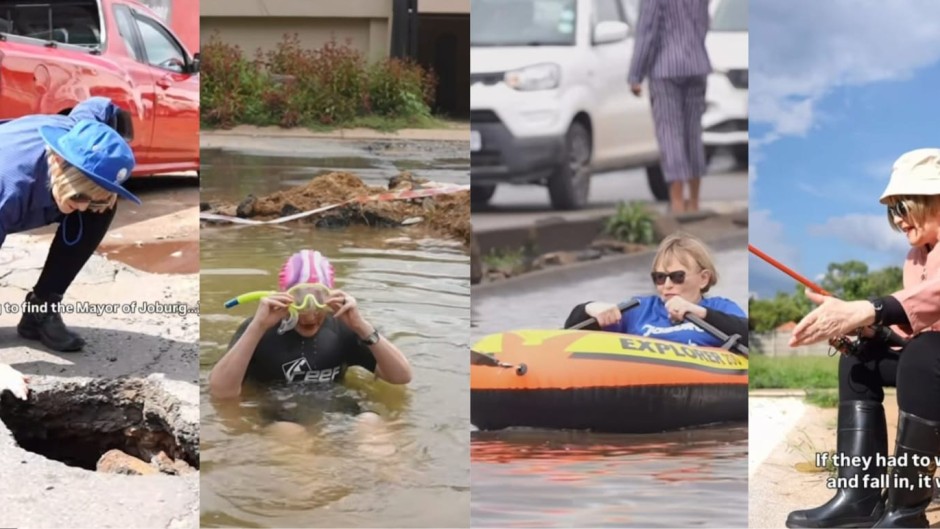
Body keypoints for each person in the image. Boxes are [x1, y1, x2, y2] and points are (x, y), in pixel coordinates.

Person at [785, 148, 940, 529]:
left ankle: (906, 512)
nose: (897, 219)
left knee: (923, 354)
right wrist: (868, 330)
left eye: (902, 205)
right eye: (891, 210)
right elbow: (920, 326)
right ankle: (860, 496)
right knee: (860, 359)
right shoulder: (916, 257)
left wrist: (870, 307)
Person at [0, 97, 140, 353]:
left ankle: (40, 311)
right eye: (79, 196)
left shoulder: (81, 130)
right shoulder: (9, 189)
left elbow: (99, 105)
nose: (84, 207)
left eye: (92, 199)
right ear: (57, 161)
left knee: (101, 210)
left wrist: (118, 129)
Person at [208, 249, 413, 406]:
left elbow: (401, 377)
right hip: (281, 412)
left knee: (370, 422)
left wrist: (361, 326)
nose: (310, 313)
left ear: (331, 297)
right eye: (300, 299)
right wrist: (256, 328)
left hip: (335, 410)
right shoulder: (259, 330)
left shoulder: (345, 328)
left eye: (318, 299)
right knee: (290, 433)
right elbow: (221, 392)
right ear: (285, 296)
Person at [565, 232, 748, 347]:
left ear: (703, 278)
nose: (667, 285)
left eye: (677, 276)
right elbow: (570, 332)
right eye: (659, 278)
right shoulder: (639, 308)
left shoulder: (720, 308)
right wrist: (590, 308)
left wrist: (700, 313)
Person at [627, 0, 712, 214]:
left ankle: (676, 202)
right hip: (697, 64)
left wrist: (636, 74)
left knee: (669, 132)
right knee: (693, 134)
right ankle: (694, 201)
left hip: (665, 67)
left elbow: (647, 31)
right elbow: (705, 21)